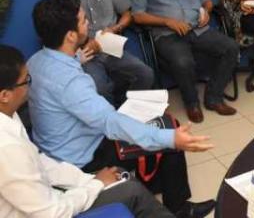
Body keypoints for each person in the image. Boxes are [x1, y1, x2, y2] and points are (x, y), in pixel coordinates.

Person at [27, 0, 216, 218]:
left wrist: (77, 59)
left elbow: (62, 85)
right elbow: (109, 122)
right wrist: (171, 138)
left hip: (54, 151)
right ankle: (180, 209)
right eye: (83, 20)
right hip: (84, 158)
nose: (88, 22)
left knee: (156, 128)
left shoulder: (36, 61)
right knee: (167, 130)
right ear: (70, 35)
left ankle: (155, 185)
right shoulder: (70, 82)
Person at [0, 44, 176, 218]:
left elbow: (41, 163)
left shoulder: (9, 113)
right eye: (26, 80)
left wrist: (88, 181)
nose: (30, 85)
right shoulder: (7, 148)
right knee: (131, 190)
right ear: (5, 96)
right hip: (54, 205)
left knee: (120, 176)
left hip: (57, 179)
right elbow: (52, 212)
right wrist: (95, 184)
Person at [132, 0, 238, 123]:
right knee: (183, 61)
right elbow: (138, 16)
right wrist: (167, 21)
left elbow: (207, 0)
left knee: (231, 47)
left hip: (198, 29)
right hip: (167, 34)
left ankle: (213, 97)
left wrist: (206, 11)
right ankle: (192, 103)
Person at [52, 0, 155, 107]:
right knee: (99, 88)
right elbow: (58, 31)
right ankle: (109, 123)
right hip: (85, 54)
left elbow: (128, 13)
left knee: (145, 74)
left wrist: (116, 28)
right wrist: (81, 43)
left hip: (112, 48)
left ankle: (128, 110)